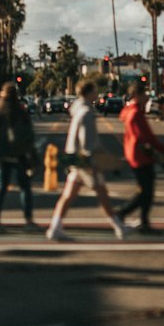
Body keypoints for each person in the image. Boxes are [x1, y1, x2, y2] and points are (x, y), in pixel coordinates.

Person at [46, 78, 127, 242]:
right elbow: (88, 141)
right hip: (85, 160)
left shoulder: (79, 110)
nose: (97, 94)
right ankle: (118, 226)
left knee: (69, 194)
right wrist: (93, 160)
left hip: (76, 158)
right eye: (95, 91)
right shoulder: (87, 113)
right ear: (89, 92)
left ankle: (55, 227)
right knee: (101, 192)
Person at [0, 81, 37, 230]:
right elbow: (29, 135)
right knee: (25, 187)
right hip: (19, 154)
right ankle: (28, 221)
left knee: (1, 187)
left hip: (2, 155)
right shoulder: (21, 112)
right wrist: (32, 155)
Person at [115, 83, 164, 234]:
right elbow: (143, 136)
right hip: (141, 155)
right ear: (137, 95)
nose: (146, 97)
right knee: (146, 191)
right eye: (144, 94)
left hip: (136, 154)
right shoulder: (135, 113)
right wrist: (159, 148)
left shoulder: (132, 111)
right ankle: (122, 213)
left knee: (146, 190)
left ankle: (144, 221)